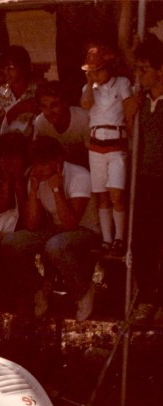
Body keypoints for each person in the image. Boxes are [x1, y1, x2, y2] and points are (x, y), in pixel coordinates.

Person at [0, 136, 100, 322]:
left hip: (86, 231)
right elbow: (31, 225)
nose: (38, 169)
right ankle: (41, 288)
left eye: (44, 164)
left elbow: (71, 225)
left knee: (55, 246)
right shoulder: (36, 177)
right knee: (10, 243)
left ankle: (83, 290)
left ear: (58, 161)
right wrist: (33, 192)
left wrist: (57, 189)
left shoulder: (80, 177)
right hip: (55, 230)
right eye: (36, 164)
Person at [80, 44, 132, 255]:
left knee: (116, 194)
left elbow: (128, 107)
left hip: (116, 143)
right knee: (101, 194)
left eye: (99, 70)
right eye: (92, 71)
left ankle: (119, 237)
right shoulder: (89, 89)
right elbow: (85, 104)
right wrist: (89, 83)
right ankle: (107, 238)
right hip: (96, 145)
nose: (95, 75)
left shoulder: (122, 83)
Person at [126, 36, 163, 323]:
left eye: (145, 69)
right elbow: (133, 143)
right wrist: (129, 116)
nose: (139, 75)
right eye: (137, 69)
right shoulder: (141, 100)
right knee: (142, 242)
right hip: (145, 179)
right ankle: (149, 298)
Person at [0, 45, 39, 158]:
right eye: (4, 67)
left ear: (25, 67)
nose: (6, 72)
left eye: (11, 67)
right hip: (1, 151)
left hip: (30, 151)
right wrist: (13, 112)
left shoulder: (38, 91)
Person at [32, 80, 90, 168]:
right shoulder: (40, 123)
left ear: (64, 103)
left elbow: (93, 154)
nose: (48, 112)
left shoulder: (82, 118)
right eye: (44, 107)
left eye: (54, 105)